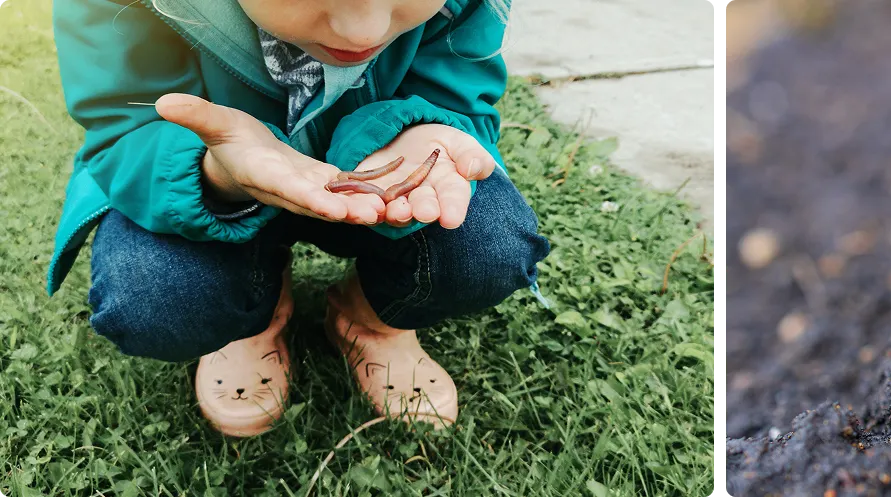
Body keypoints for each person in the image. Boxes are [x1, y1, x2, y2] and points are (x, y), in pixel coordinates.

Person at [48, 0, 551, 437]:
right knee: (156, 293)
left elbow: (463, 99)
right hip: (209, 184)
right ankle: (254, 317)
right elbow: (123, 126)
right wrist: (217, 173)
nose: (364, 32)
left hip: (370, 184)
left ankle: (371, 320)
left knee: (488, 244)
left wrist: (425, 126)